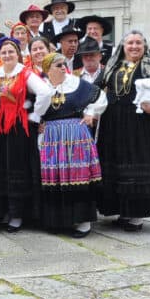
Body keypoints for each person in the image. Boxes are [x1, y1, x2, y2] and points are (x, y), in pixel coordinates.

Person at [96, 30, 150, 231]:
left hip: (141, 125)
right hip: (113, 122)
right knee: (116, 165)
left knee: (137, 165)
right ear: (123, 47)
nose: (134, 46)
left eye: (138, 43)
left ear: (144, 46)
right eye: (130, 43)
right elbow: (96, 87)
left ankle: (136, 215)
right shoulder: (112, 66)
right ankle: (122, 210)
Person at [0, 38, 52, 232]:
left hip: (18, 128)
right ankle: (4, 210)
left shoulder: (25, 73)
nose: (7, 55)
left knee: (17, 168)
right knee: (0, 167)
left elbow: (45, 93)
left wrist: (35, 115)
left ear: (18, 54)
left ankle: (17, 214)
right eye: (3, 52)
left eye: (11, 52)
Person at [37, 52, 107, 238]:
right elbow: (32, 110)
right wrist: (37, 123)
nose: (62, 68)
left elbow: (99, 97)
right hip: (52, 137)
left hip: (76, 134)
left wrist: (90, 113)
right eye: (58, 65)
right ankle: (58, 220)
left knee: (78, 175)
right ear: (47, 69)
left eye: (63, 64)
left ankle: (83, 222)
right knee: (56, 177)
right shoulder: (41, 86)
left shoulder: (76, 83)